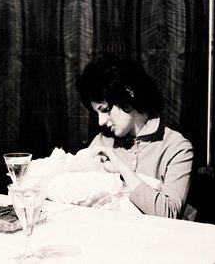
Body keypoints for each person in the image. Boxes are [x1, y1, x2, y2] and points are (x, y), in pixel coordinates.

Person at [76, 52, 194, 219]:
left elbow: (169, 213)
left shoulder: (177, 148)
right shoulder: (102, 142)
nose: (101, 122)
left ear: (127, 94)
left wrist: (122, 169)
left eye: (105, 110)